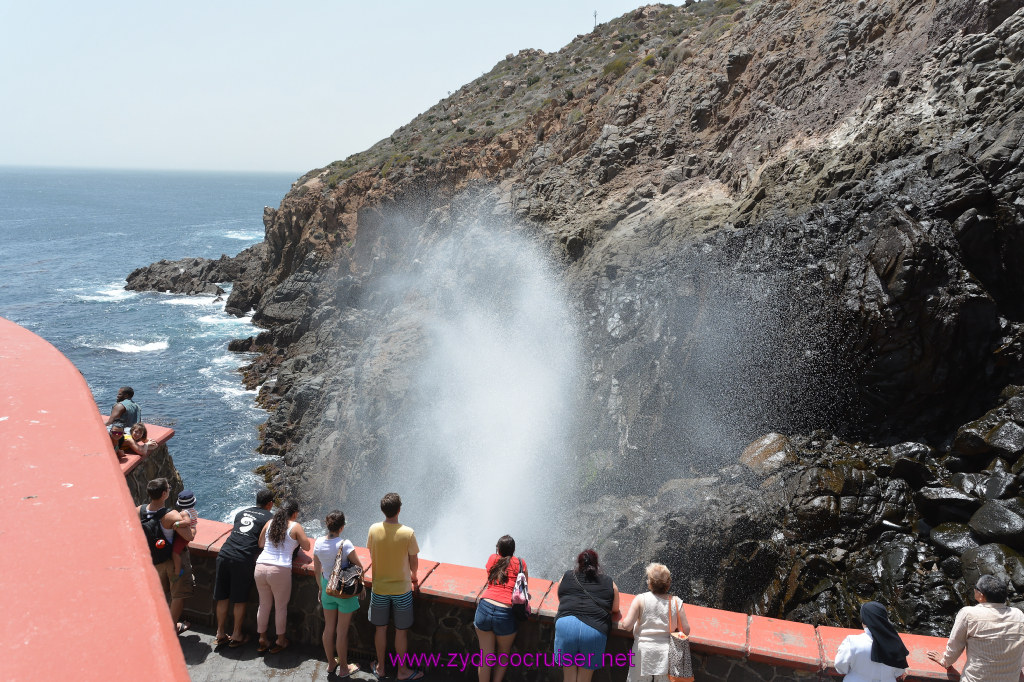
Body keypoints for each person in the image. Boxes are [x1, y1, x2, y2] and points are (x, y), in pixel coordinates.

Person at [367, 492, 422, 681]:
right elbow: (414, 561)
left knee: (380, 629)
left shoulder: (373, 529)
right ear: (399, 509)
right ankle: (402, 670)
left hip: (379, 588)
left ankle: (381, 668)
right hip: (402, 590)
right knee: (401, 631)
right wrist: (414, 577)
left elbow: (372, 552)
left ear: (383, 510)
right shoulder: (408, 533)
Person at [927, 574, 1024, 682]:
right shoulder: (1018, 615)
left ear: (981, 595)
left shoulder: (968, 614)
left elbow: (955, 645)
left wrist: (945, 661)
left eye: (976, 588)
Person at [213, 489, 275, 647]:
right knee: (239, 600)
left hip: (224, 554)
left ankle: (220, 632)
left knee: (222, 597)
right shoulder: (270, 518)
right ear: (270, 504)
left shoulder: (241, 512)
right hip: (242, 559)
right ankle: (236, 634)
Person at [554, 549, 620, 682]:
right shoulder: (609, 582)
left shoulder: (566, 576)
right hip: (594, 630)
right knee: (585, 679)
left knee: (569, 677)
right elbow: (615, 609)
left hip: (566, 626)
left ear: (579, 563)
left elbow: (560, 597)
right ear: (596, 564)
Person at [254, 499, 311, 654]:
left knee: (263, 605)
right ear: (294, 513)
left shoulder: (270, 523)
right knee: (280, 608)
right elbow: (307, 546)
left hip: (260, 567)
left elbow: (260, 543)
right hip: (279, 570)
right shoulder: (295, 526)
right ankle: (280, 640)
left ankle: (262, 639)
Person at [140, 477, 195, 635]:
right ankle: (171, 628)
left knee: (158, 593)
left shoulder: (139, 510)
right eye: (169, 488)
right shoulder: (171, 515)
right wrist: (186, 520)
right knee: (178, 594)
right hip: (171, 562)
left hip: (152, 560)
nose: (170, 490)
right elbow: (189, 536)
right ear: (164, 494)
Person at [312, 510, 363, 678]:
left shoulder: (318, 543)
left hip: (327, 587)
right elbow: (359, 566)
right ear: (342, 527)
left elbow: (317, 568)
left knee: (328, 628)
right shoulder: (345, 544)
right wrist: (361, 587)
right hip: (344, 591)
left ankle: (331, 663)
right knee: (341, 632)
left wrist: (320, 587)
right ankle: (343, 668)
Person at [619, 563, 689, 682]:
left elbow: (627, 625)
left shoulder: (641, 599)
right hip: (666, 653)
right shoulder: (676, 602)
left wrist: (619, 623)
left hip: (642, 651)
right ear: (668, 584)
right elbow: (686, 630)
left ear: (650, 583)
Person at [474, 535, 527, 682]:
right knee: (503, 653)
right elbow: (524, 586)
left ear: (498, 549)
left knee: (485, 656)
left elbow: (490, 577)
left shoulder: (492, 558)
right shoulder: (521, 563)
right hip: (505, 612)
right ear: (513, 550)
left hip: (485, 607)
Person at [834, 601, 908, 682]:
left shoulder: (852, 642)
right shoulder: (896, 644)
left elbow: (840, 666)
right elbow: (899, 671)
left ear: (864, 620)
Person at [172, 490, 199, 582]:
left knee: (175, 553)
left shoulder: (184, 513)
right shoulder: (193, 511)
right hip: (192, 530)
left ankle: (177, 572)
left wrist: (177, 524)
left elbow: (187, 522)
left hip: (185, 535)